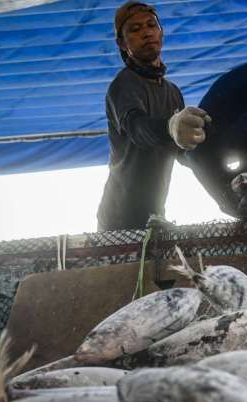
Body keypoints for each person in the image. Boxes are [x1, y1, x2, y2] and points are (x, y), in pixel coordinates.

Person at [97, 1, 210, 231]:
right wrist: (171, 127)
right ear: (122, 43)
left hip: (155, 218)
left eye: (151, 25)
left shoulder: (173, 92)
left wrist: (208, 147)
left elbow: (182, 153)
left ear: (161, 32)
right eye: (135, 30)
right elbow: (139, 130)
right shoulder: (123, 85)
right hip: (118, 222)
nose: (146, 33)